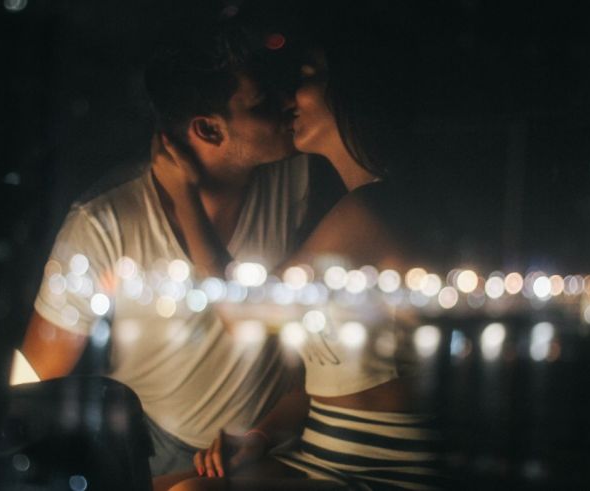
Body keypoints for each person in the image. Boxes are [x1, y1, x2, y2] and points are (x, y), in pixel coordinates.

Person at [17, 17, 341, 478]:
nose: (287, 103)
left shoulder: (298, 176)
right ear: (209, 129)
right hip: (156, 449)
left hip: (275, 445)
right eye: (261, 103)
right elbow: (36, 381)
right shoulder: (103, 222)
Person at [156, 12, 447, 491]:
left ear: (353, 89)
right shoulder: (349, 209)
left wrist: (184, 197)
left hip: (379, 472)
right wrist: (260, 435)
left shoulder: (372, 211)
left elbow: (241, 316)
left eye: (309, 76)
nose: (290, 94)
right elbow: (317, 383)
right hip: (318, 455)